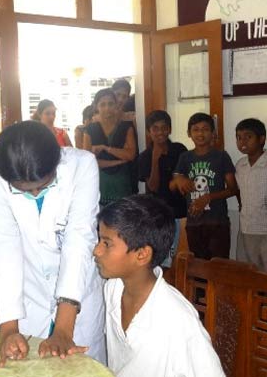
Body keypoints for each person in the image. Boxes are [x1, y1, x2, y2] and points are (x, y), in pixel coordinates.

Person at [0, 120, 105, 367]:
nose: (35, 194)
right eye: (23, 190)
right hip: (24, 294)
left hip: (77, 296)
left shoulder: (82, 165)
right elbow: (4, 243)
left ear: (58, 163)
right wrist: (9, 329)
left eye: (43, 186)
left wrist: (64, 330)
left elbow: (79, 240)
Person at [93, 194, 224, 377]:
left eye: (107, 243)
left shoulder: (177, 319)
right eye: (99, 240)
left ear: (142, 255)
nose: (96, 250)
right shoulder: (113, 288)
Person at [170, 113, 238, 260]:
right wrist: (179, 179)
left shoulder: (221, 156)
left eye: (205, 129)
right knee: (198, 267)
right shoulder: (185, 157)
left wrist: (208, 197)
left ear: (213, 133)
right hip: (194, 223)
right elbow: (173, 185)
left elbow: (233, 189)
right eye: (196, 129)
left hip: (218, 222)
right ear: (189, 133)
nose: (200, 133)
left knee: (218, 266)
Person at [235, 118, 267, 273]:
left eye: (248, 137)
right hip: (247, 228)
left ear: (262, 139)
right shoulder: (240, 165)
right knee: (249, 274)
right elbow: (239, 190)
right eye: (239, 137)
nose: (243, 141)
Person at [137, 109, 188, 268]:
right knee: (161, 257)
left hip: (181, 212)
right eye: (155, 128)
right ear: (149, 132)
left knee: (180, 257)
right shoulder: (145, 156)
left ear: (170, 129)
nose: (160, 132)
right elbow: (152, 186)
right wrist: (155, 159)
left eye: (164, 128)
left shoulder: (179, 150)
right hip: (158, 214)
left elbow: (186, 178)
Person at [84, 89, 136, 206]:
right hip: (99, 185)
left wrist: (105, 148)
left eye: (110, 104)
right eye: (102, 104)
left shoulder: (126, 127)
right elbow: (88, 162)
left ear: (116, 105)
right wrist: (119, 160)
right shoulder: (90, 129)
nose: (107, 108)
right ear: (96, 107)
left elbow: (130, 155)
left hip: (122, 184)